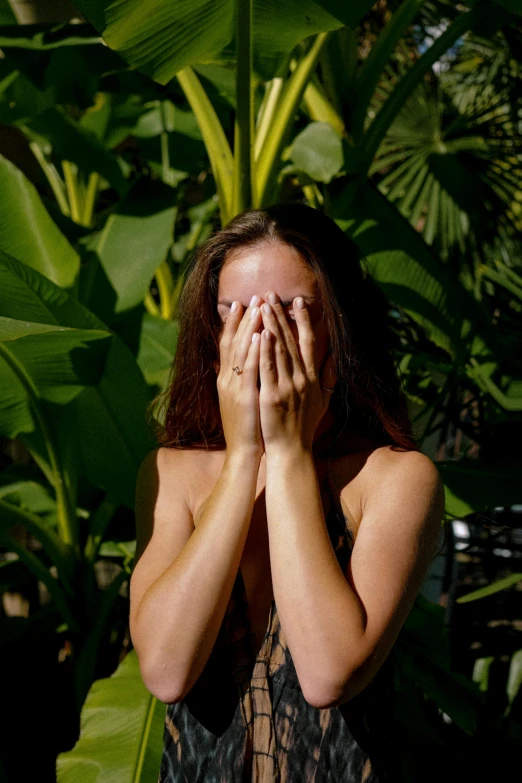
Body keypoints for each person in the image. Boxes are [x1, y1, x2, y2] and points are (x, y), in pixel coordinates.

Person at [129, 203, 445, 782]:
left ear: (339, 325)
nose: (262, 333)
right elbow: (167, 670)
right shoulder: (173, 474)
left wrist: (291, 452)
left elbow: (327, 673)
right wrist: (245, 455)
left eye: (291, 310)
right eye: (239, 312)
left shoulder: (395, 481)